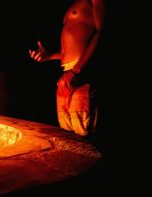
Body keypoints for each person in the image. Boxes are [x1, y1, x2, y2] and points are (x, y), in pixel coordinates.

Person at [29, 0, 105, 136]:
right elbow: (74, 47)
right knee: (70, 138)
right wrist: (50, 56)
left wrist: (77, 71)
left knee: (86, 136)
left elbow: (103, 33)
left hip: (82, 73)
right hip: (67, 75)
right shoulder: (74, 3)